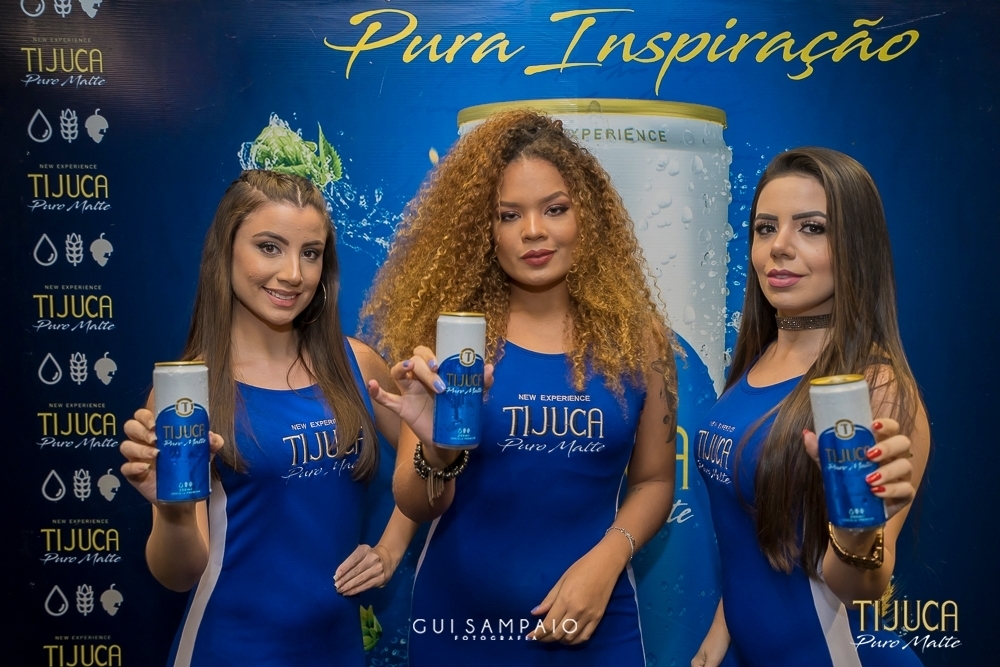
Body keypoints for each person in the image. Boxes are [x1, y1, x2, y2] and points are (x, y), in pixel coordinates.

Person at [361, 109, 678, 665]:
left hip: (594, 626)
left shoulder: (640, 338)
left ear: (586, 214)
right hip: (460, 629)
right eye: (509, 215)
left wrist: (607, 561)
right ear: (482, 230)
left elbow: (653, 481)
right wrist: (437, 451)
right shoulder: (454, 337)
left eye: (555, 209)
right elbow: (415, 502)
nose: (533, 230)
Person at [119, 170, 417, 666]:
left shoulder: (357, 364)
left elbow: (428, 452)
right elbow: (179, 575)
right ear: (227, 250)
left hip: (339, 650)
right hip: (230, 649)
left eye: (310, 253)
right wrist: (171, 510)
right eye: (269, 247)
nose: (294, 274)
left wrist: (390, 548)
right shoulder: (188, 394)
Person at [692, 148, 930, 666]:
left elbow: (859, 589)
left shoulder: (870, 386)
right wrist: (723, 626)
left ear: (856, 246)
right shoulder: (759, 357)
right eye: (766, 228)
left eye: (812, 228)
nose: (779, 246)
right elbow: (754, 532)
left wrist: (855, 526)